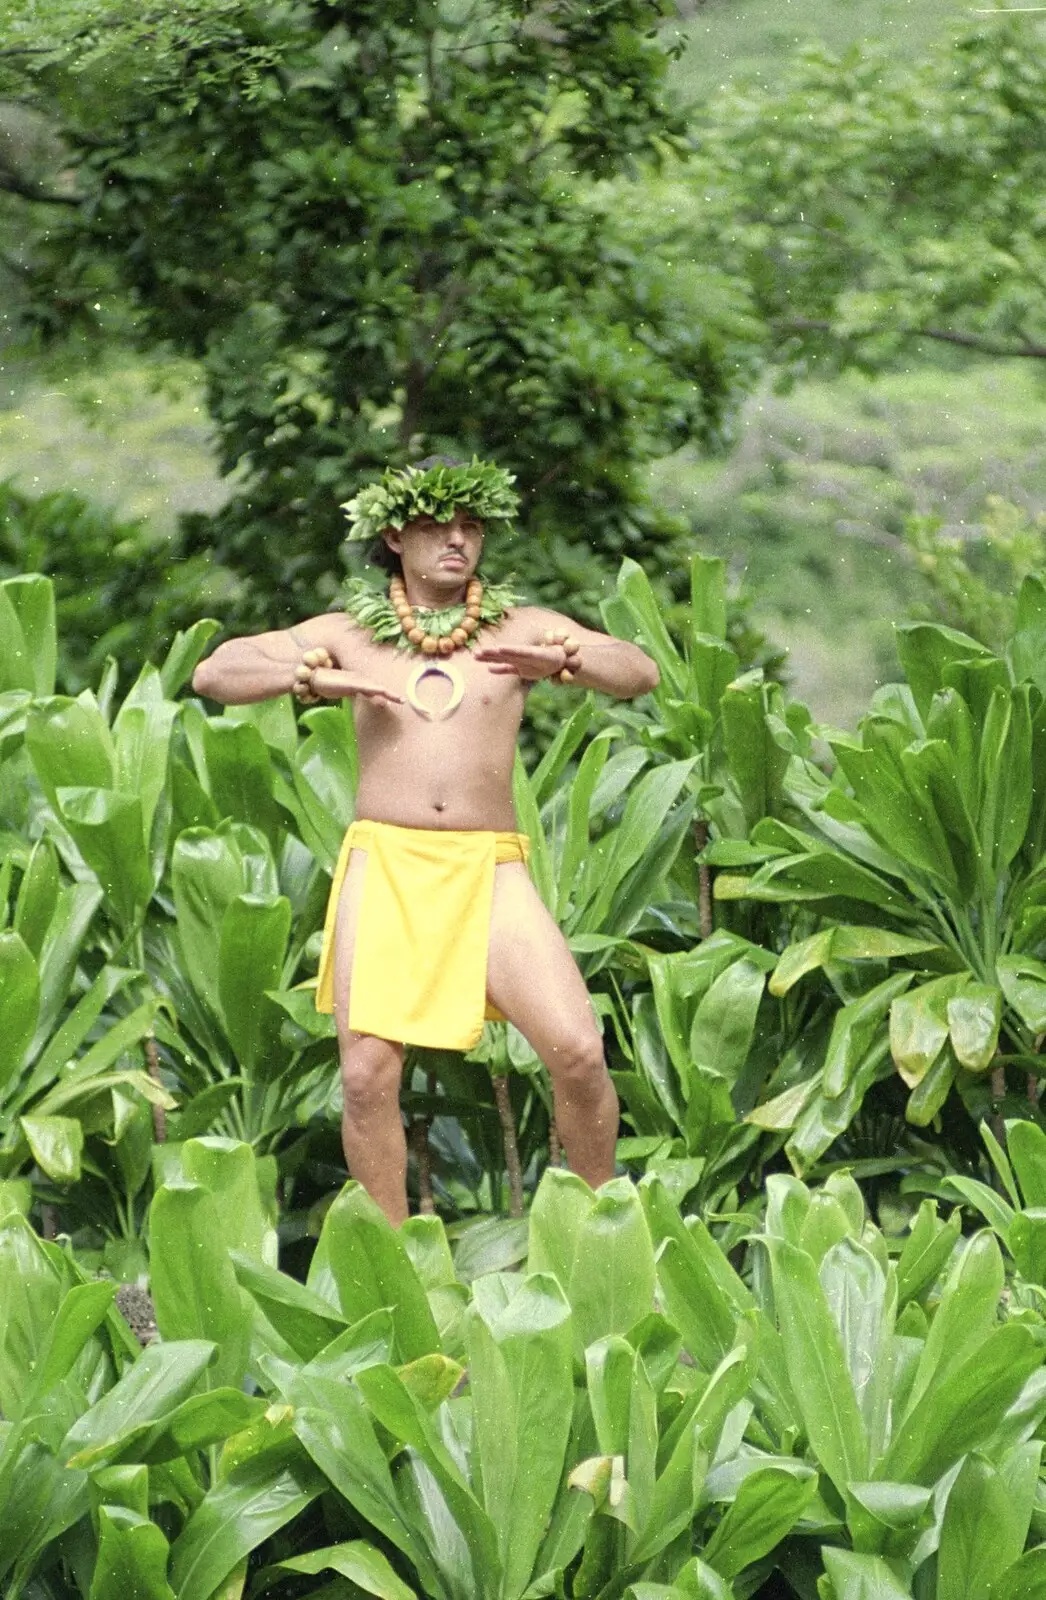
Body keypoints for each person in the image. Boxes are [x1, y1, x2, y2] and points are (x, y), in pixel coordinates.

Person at [191, 456, 659, 1223]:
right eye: (439, 525)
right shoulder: (347, 633)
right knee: (369, 1074)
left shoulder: (523, 627)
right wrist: (310, 675)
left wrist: (568, 660)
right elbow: (218, 671)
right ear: (394, 534)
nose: (458, 540)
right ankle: (398, 1256)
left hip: (490, 869)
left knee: (576, 1050)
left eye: (471, 526)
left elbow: (636, 671)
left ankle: (600, 1225)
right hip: (389, 864)